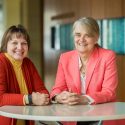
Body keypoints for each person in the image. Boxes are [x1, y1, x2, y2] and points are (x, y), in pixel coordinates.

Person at [50, 17, 118, 125]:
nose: (81, 39)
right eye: (78, 35)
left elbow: (109, 92)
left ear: (96, 38)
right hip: (72, 116)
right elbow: (57, 88)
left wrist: (84, 99)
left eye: (87, 35)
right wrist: (59, 97)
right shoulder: (65, 58)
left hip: (101, 116)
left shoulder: (108, 56)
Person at [0, 25, 50, 125]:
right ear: (6, 45)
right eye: (14, 43)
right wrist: (30, 99)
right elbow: (0, 98)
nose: (20, 47)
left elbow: (43, 91)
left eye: (24, 43)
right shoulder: (1, 62)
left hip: (27, 120)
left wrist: (42, 98)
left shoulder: (28, 63)